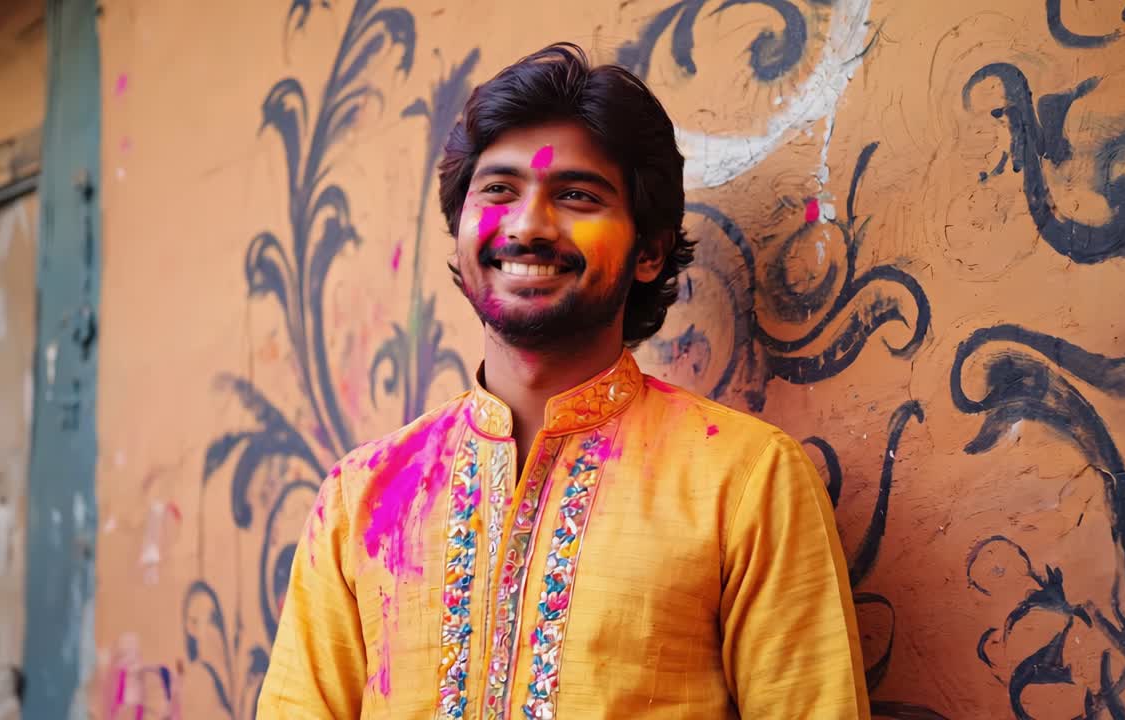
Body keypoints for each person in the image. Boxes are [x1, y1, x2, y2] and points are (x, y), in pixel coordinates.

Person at [257, 42, 869, 719]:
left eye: (577, 195)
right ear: (460, 230)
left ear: (649, 251)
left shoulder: (748, 482)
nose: (527, 226)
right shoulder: (360, 501)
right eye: (498, 190)